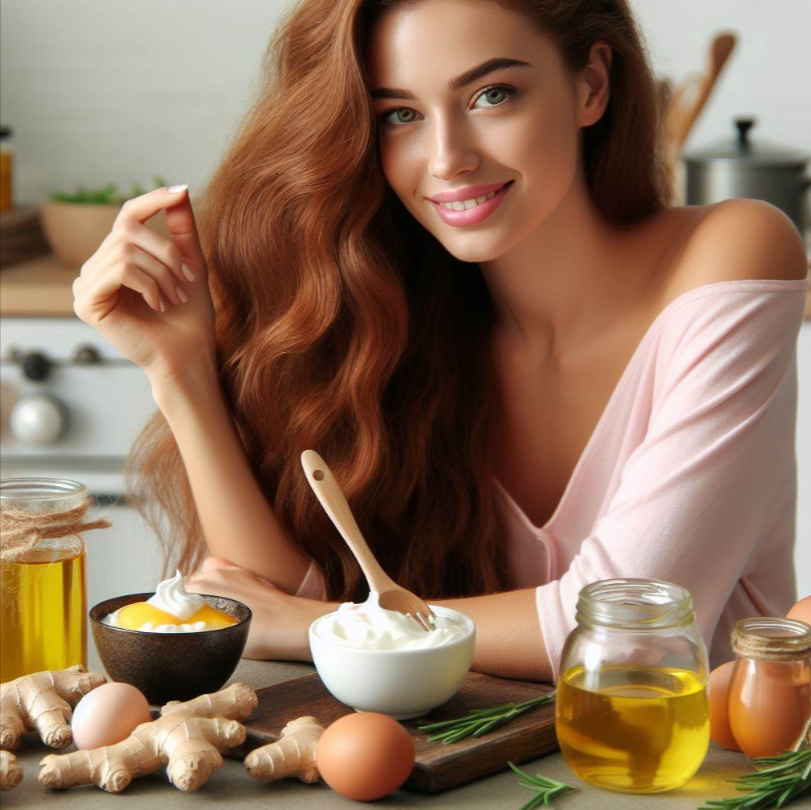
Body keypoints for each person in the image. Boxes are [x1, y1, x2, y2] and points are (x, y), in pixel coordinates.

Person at [73, 0, 808, 684]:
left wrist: (313, 627)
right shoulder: (404, 326)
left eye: (491, 95)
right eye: (399, 115)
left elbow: (627, 634)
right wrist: (180, 370)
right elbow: (262, 594)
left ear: (590, 85)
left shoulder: (732, 254)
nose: (447, 156)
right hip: (483, 776)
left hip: (705, 776)